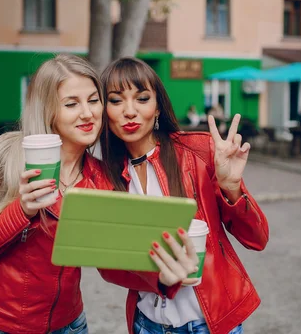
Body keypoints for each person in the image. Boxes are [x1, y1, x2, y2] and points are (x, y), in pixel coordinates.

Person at [0, 54, 197, 334]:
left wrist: (164, 279)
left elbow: (111, 260)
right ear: (48, 110)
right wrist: (21, 211)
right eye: (71, 104)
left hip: (71, 325)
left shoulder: (103, 178)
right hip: (3, 326)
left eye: (94, 100)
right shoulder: (7, 157)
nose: (88, 113)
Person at [99, 57, 269, 334]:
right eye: (116, 100)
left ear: (157, 108)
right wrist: (161, 277)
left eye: (142, 98)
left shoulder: (198, 152)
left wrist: (231, 187)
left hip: (211, 323)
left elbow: (257, 239)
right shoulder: (104, 176)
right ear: (104, 111)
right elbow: (108, 267)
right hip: (147, 324)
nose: (130, 111)